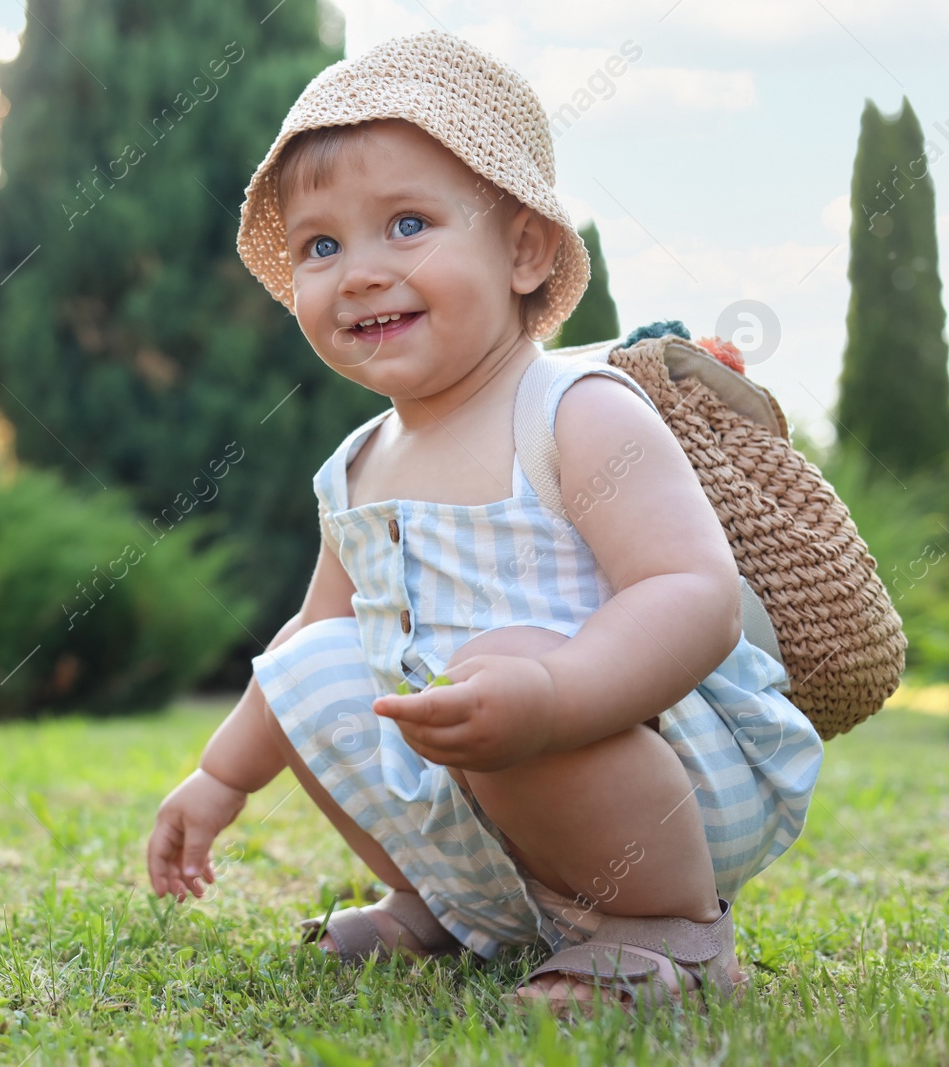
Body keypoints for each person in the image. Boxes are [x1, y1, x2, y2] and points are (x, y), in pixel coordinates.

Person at [144, 31, 823, 1015]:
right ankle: (442, 906)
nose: (361, 271)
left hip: (657, 776)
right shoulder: (357, 466)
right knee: (315, 663)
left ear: (522, 249)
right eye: (321, 246)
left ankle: (664, 929)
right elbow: (308, 638)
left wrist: (554, 692)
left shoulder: (574, 412)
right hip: (481, 795)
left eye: (407, 223)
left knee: (492, 659)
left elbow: (694, 595)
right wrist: (219, 776)